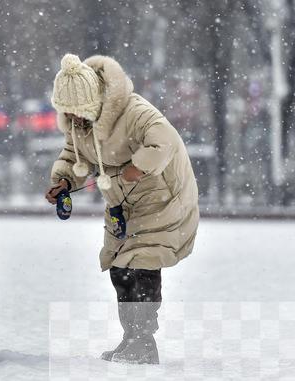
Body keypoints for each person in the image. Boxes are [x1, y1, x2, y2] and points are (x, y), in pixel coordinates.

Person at [45, 54, 199, 364]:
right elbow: (74, 154)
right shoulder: (78, 125)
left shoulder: (136, 113)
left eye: (80, 115)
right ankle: (132, 337)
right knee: (119, 268)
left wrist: (138, 167)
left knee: (140, 265)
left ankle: (143, 342)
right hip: (123, 202)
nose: (76, 122)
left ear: (96, 103)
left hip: (163, 198)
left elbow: (164, 143)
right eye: (69, 115)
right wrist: (63, 181)